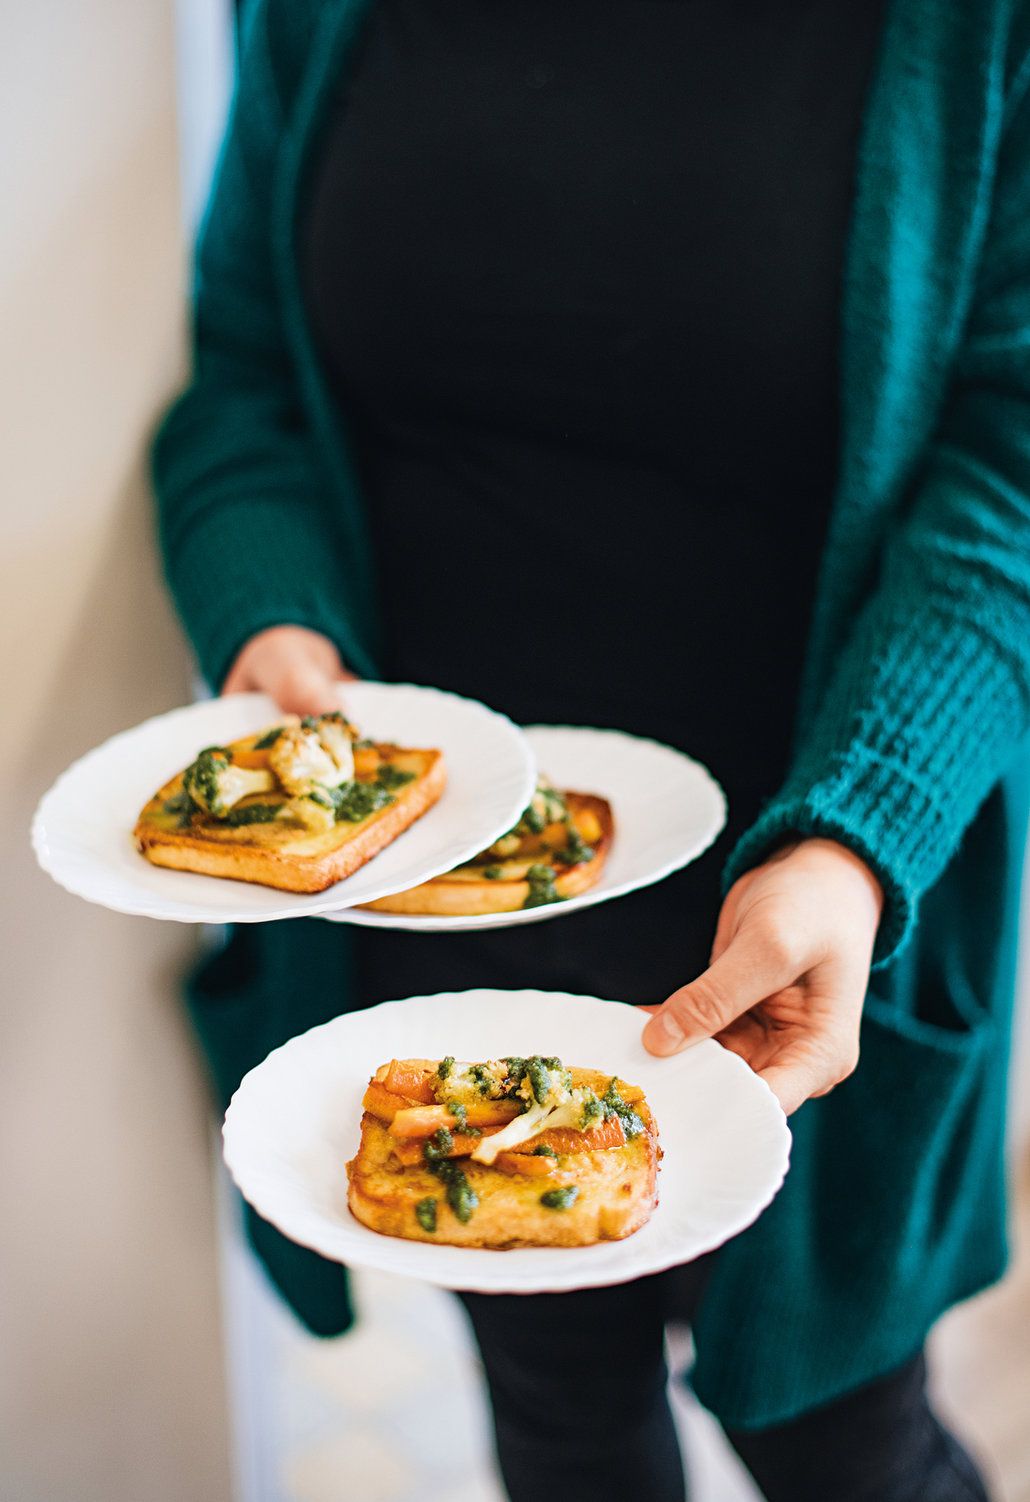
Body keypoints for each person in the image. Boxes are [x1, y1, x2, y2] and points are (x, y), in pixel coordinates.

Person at [152, 2, 1030, 1497]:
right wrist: (271, 631)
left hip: (804, 915)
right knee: (557, 1415)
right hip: (428, 900)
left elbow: (1009, 454)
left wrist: (861, 826)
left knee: (839, 1434)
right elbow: (241, 381)